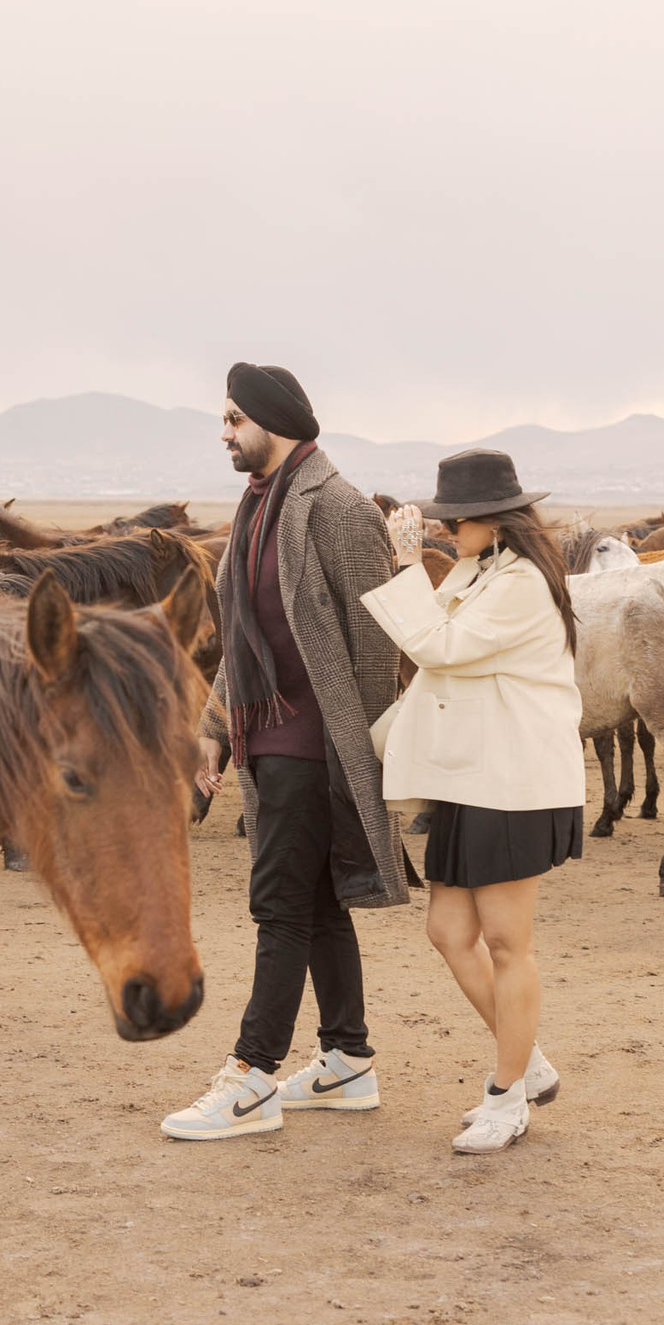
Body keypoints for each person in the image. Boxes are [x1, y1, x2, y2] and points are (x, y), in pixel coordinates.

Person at [161, 363, 411, 1142]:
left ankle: (252, 1078)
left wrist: (357, 759)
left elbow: (375, 647)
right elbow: (247, 637)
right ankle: (347, 1061)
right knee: (318, 906)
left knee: (278, 907)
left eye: (235, 418)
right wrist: (213, 725)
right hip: (265, 739)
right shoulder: (257, 507)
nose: (225, 432)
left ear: (275, 421)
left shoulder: (337, 510)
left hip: (315, 748)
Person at [360, 449, 583, 1154]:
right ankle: (529, 1063)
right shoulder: (485, 569)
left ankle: (506, 1094)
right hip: (471, 777)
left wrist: (403, 564)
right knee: (449, 932)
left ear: (493, 519)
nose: (447, 533)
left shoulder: (521, 584)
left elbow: (437, 648)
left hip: (513, 782)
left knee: (508, 943)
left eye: (455, 522)